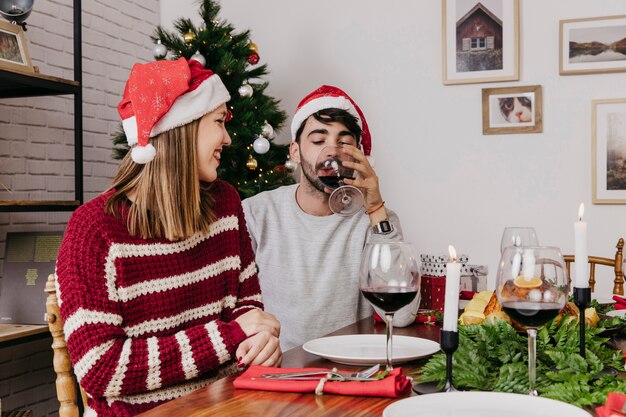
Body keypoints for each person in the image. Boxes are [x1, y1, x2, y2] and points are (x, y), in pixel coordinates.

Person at [55, 58, 281, 417]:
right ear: (183, 129)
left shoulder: (225, 204)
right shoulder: (94, 230)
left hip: (230, 405)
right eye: (219, 123)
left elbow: (247, 306)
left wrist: (259, 341)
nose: (227, 138)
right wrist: (229, 336)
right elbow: (100, 369)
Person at [243, 85, 417, 351]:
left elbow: (402, 317)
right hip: (280, 370)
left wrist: (375, 209)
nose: (332, 152)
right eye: (318, 141)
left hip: (349, 369)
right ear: (295, 152)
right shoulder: (257, 213)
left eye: (344, 142)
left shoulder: (374, 218)